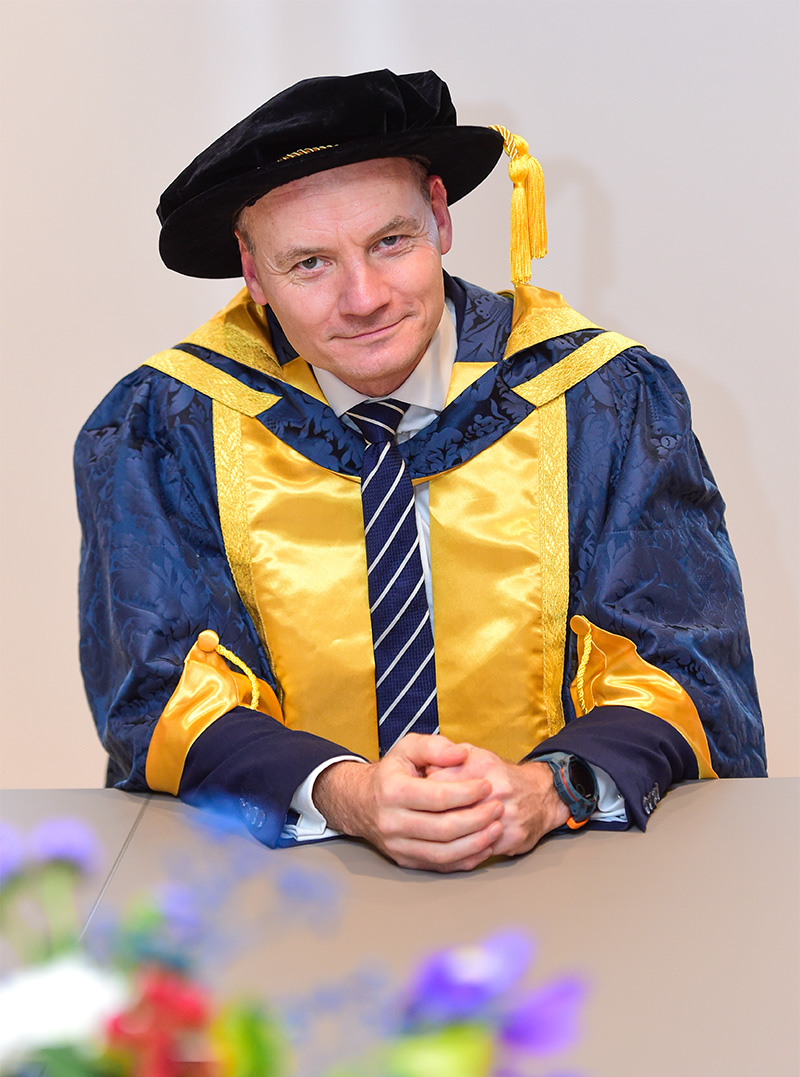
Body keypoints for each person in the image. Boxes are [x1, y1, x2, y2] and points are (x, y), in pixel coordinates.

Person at [75, 69, 766, 872]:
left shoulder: (600, 401)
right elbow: (157, 688)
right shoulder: (169, 427)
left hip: (574, 876)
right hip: (289, 886)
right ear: (252, 271)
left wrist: (544, 791)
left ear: (439, 217)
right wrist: (343, 791)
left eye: (389, 241)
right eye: (309, 264)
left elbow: (682, 663)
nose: (362, 298)